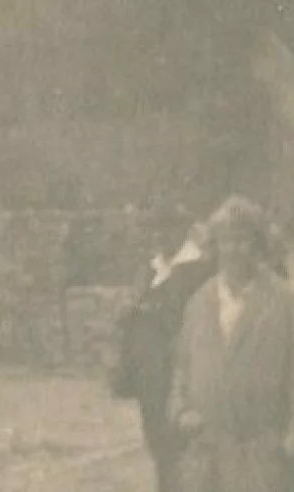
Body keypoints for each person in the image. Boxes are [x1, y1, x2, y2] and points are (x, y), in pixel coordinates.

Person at [170, 196, 294, 492]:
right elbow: (182, 366)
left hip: (267, 454)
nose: (234, 249)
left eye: (243, 240)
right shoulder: (199, 302)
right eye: (226, 240)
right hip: (211, 455)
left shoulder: (287, 302)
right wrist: (181, 410)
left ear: (258, 245)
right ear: (215, 246)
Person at [114, 211, 220, 492]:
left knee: (184, 445)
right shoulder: (152, 269)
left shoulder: (200, 268)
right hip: (149, 372)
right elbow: (132, 312)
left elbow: (192, 318)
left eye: (168, 226)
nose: (161, 235)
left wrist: (147, 312)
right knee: (158, 443)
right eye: (157, 229)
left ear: (183, 229)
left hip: (179, 370)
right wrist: (129, 311)